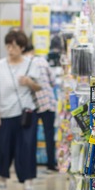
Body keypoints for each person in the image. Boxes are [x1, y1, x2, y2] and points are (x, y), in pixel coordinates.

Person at [0, 30, 42, 190]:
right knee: (2, 149)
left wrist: (29, 82)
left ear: (22, 47)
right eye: (8, 46)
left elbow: (39, 87)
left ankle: (29, 183)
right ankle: (2, 178)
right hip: (4, 114)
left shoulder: (31, 64)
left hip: (26, 115)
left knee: (27, 148)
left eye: (14, 46)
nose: (10, 49)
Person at [24, 43, 58, 173]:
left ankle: (30, 163)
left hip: (33, 104)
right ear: (33, 50)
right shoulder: (42, 61)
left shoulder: (24, 64)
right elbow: (53, 81)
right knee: (49, 134)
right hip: (48, 101)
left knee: (30, 135)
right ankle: (51, 164)